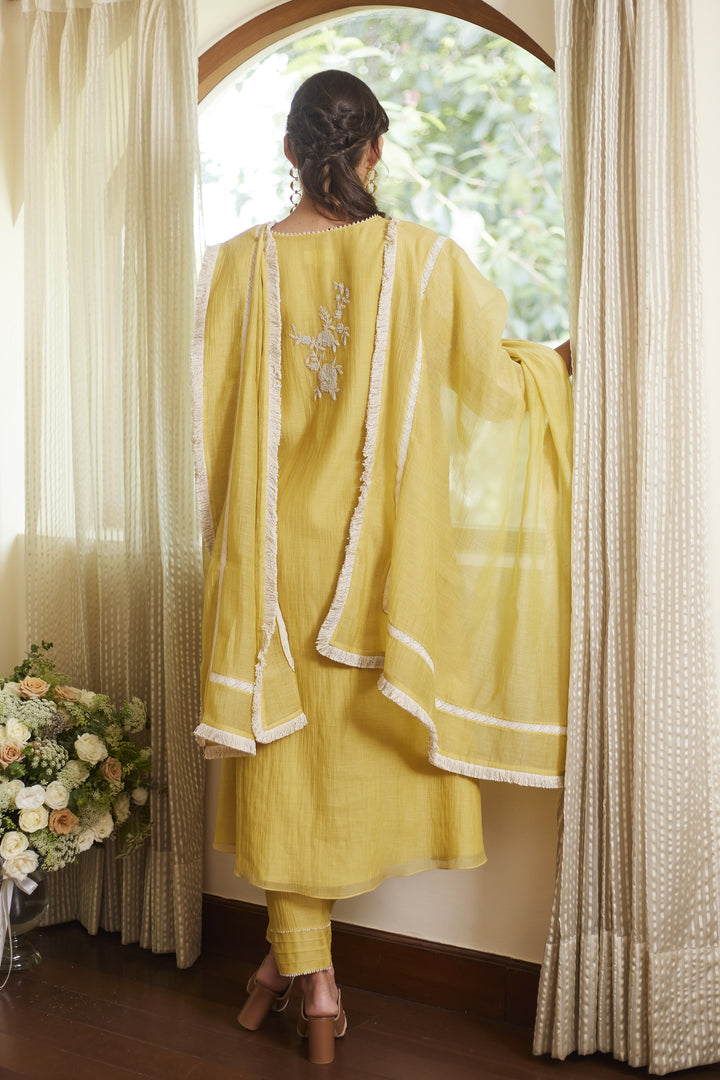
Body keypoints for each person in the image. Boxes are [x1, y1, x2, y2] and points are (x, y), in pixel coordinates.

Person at [192, 69, 573, 1065]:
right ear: (374, 152)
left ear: (289, 150)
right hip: (382, 576)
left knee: (287, 773)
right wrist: (558, 365)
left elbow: (208, 427)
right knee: (337, 773)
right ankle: (311, 984)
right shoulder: (424, 260)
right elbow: (494, 390)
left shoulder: (234, 266)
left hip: (272, 568)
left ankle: (296, 975)